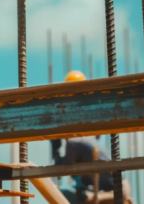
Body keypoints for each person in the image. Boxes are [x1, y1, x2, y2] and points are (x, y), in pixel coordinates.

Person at [51, 70, 117, 203]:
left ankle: (91, 198)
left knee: (58, 193)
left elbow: (64, 167)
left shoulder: (73, 140)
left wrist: (55, 149)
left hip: (106, 188)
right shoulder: (89, 110)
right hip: (108, 185)